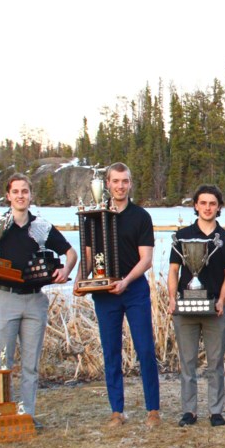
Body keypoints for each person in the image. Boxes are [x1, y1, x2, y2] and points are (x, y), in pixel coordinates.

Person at [0, 173, 76, 425]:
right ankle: (4, 415)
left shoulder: (41, 226)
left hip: (35, 301)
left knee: (31, 365)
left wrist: (65, 270)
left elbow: (71, 253)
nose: (20, 195)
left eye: (25, 191)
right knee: (3, 362)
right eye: (16, 191)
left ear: (30, 195)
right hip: (4, 299)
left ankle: (27, 417)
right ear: (8, 195)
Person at [75, 162, 161, 428]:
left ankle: (153, 410)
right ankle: (117, 411)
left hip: (133, 290)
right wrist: (79, 280)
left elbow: (146, 260)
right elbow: (88, 257)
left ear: (130, 183)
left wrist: (125, 282)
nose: (120, 186)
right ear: (108, 184)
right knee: (110, 350)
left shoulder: (141, 217)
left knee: (145, 349)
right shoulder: (96, 216)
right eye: (115, 181)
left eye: (125, 181)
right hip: (104, 294)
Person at [168, 185, 225, 427]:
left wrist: (221, 300)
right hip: (185, 309)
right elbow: (173, 271)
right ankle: (189, 411)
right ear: (196, 205)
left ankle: (215, 411)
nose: (208, 207)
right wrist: (171, 299)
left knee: (215, 362)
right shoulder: (182, 235)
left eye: (212, 203)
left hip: (215, 310)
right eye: (203, 203)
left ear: (218, 207)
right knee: (187, 362)